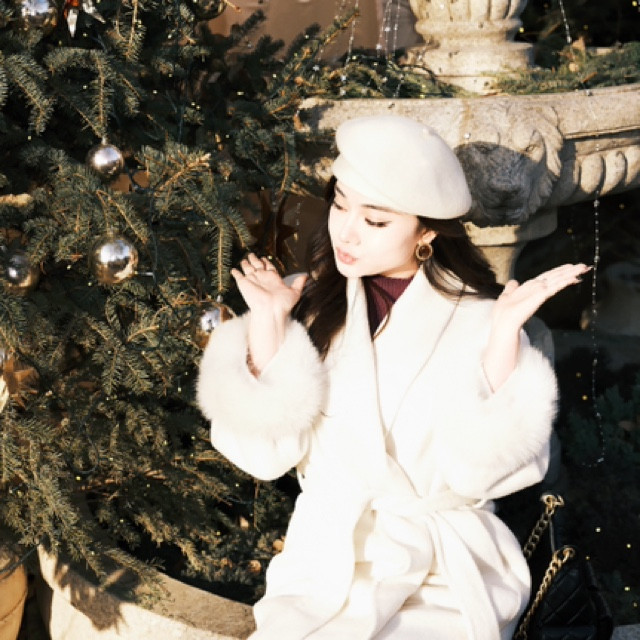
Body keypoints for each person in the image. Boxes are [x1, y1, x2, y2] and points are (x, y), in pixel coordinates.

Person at [196, 114, 590, 639]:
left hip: (444, 571)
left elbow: (479, 477)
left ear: (427, 231)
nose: (346, 232)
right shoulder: (308, 301)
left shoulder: (481, 318)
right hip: (328, 561)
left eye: (376, 222)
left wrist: (503, 337)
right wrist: (269, 322)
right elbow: (264, 457)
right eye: (340, 205)